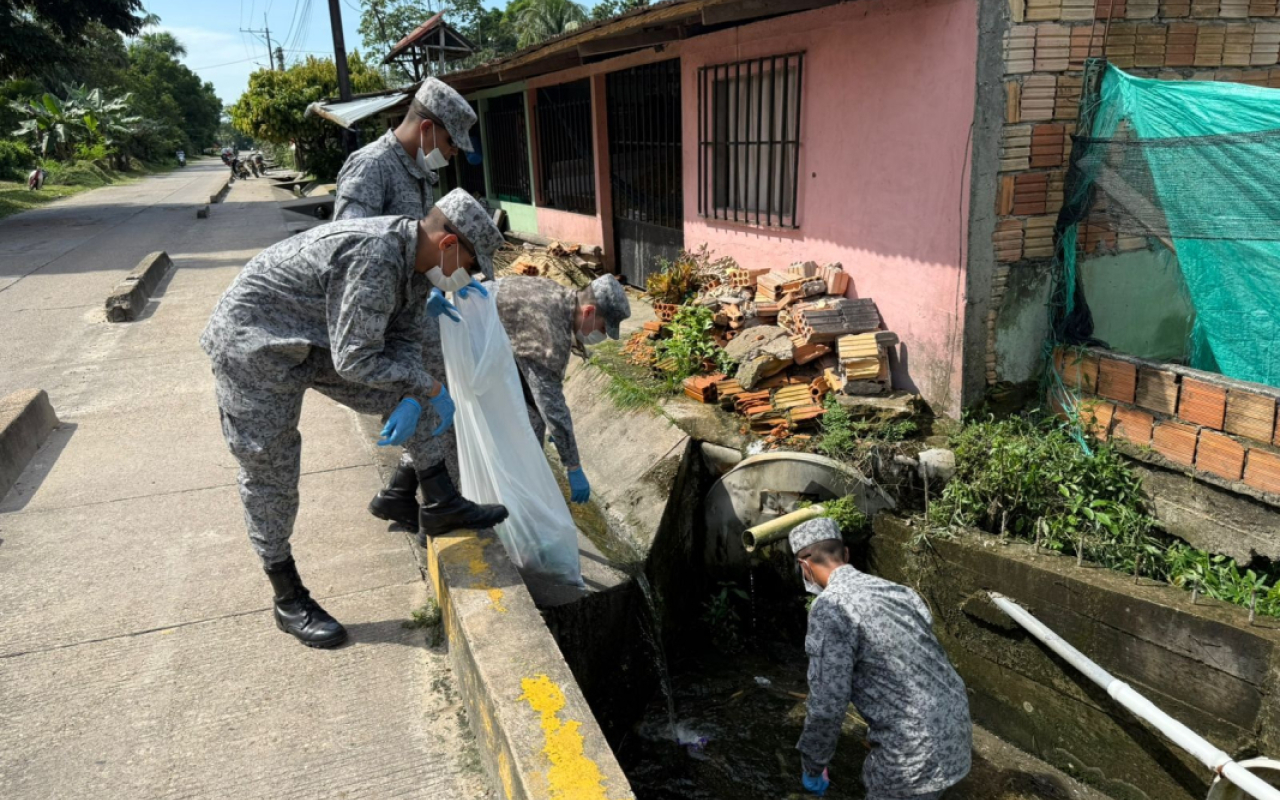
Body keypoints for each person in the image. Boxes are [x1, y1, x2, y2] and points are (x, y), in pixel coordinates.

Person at [200, 189, 509, 649]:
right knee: (271, 469)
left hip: (314, 341)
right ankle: (287, 595)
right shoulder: (376, 256)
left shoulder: (416, 262)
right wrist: (424, 389)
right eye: (470, 262)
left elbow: (404, 339)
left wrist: (415, 390)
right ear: (448, 245)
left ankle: (440, 499)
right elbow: (356, 360)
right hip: (254, 344)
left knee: (418, 384)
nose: (469, 274)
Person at [368, 273, 631, 527]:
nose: (600, 337)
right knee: (453, 436)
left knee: (442, 425)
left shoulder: (553, 293)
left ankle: (398, 494)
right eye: (602, 328)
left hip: (448, 338)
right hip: (441, 343)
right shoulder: (549, 328)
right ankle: (442, 523)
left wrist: (556, 431)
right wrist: (572, 464)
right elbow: (549, 401)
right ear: (589, 312)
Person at [790, 518, 972, 799]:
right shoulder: (899, 592)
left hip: (914, 759)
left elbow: (828, 702)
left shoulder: (831, 608)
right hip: (957, 736)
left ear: (804, 566)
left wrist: (813, 764)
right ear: (846, 554)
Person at [334, 77, 475, 224]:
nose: (455, 152)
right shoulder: (371, 166)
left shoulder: (418, 171)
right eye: (452, 142)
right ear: (426, 128)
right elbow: (349, 236)